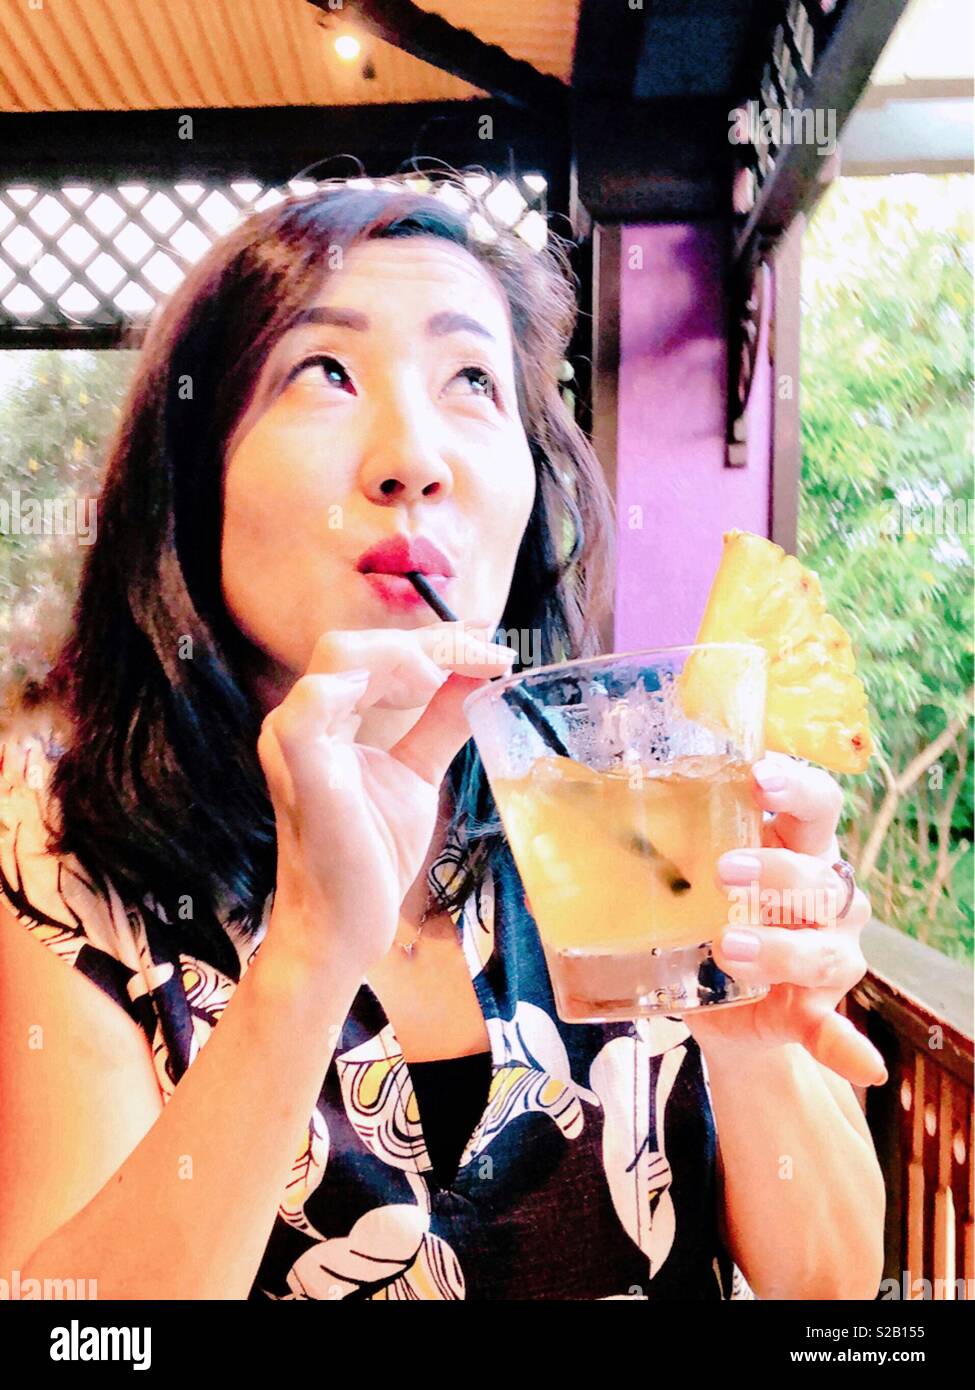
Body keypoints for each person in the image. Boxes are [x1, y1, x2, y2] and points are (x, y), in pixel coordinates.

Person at [0, 175, 886, 1301]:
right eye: (324, 371)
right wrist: (310, 954)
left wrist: (749, 1038)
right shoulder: (66, 860)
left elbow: (834, 1291)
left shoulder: (637, 804)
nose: (413, 457)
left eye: (473, 378)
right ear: (194, 475)